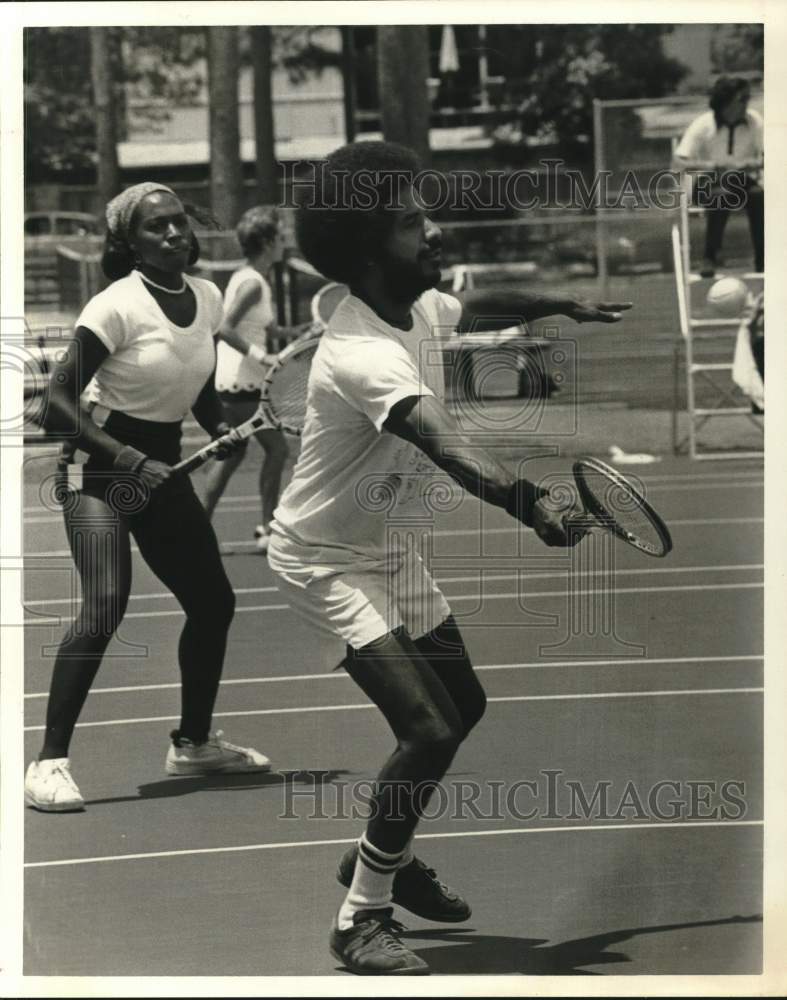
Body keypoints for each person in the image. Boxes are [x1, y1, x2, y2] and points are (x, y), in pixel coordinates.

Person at [266, 141, 632, 975]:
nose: (429, 230)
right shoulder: (362, 351)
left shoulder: (420, 305)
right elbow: (449, 446)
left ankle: (374, 855)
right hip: (322, 559)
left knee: (461, 707)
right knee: (425, 728)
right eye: (408, 223)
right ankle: (360, 918)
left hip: (384, 545)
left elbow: (474, 301)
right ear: (365, 249)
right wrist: (532, 503)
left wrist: (558, 303)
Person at [25, 182, 271, 814]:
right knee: (106, 602)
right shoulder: (114, 306)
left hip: (161, 464)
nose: (173, 234)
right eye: (156, 227)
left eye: (179, 223)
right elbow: (54, 404)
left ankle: (193, 744)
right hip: (98, 469)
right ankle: (48, 763)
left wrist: (218, 424)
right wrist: (128, 457)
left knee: (213, 603)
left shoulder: (209, 297)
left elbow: (194, 377)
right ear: (129, 242)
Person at [201, 207, 312, 553]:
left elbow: (264, 329)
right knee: (277, 450)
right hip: (241, 381)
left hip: (239, 381)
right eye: (280, 237)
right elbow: (225, 328)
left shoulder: (253, 278)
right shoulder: (251, 282)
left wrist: (297, 332)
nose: (285, 242)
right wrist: (263, 357)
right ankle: (267, 529)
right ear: (266, 242)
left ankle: (197, 529)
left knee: (232, 456)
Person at [673, 75, 764, 277]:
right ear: (726, 102)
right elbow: (678, 162)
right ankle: (709, 257)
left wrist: (752, 163)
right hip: (708, 182)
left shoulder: (754, 121)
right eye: (742, 99)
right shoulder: (703, 124)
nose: (746, 104)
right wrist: (714, 166)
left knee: (759, 195)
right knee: (720, 194)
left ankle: (763, 260)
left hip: (742, 180)